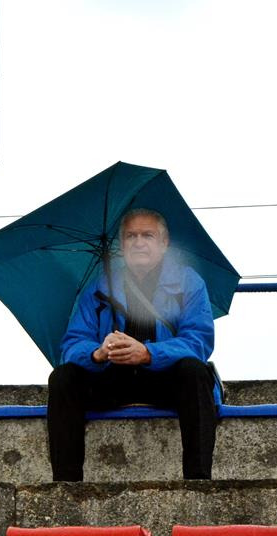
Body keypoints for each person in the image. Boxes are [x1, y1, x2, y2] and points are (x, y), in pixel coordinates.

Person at [48, 206, 218, 481]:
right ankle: (65, 485)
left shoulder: (188, 282)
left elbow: (198, 341)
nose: (139, 242)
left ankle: (198, 482)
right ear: (122, 244)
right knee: (63, 377)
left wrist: (149, 353)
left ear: (164, 243)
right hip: (112, 378)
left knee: (195, 372)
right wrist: (97, 353)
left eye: (147, 235)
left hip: (166, 378)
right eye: (131, 236)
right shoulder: (100, 286)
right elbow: (72, 343)